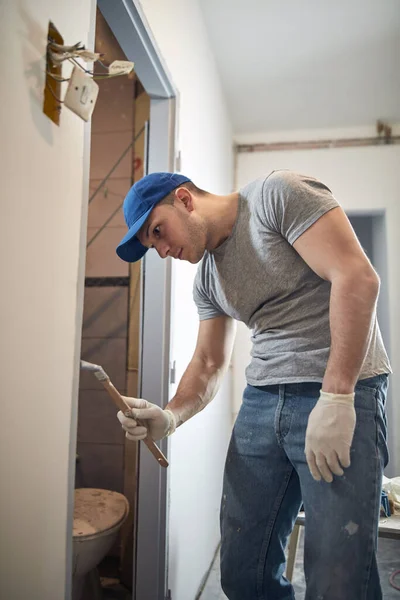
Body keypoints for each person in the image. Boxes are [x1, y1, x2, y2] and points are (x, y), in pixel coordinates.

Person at [115, 170, 391, 599]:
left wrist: (336, 396)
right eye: (155, 248)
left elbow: (357, 277)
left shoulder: (276, 197)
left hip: (339, 391)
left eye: (158, 232)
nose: (164, 250)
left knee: (339, 580)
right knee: (244, 572)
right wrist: (168, 417)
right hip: (262, 403)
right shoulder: (207, 280)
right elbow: (208, 362)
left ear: (184, 200)